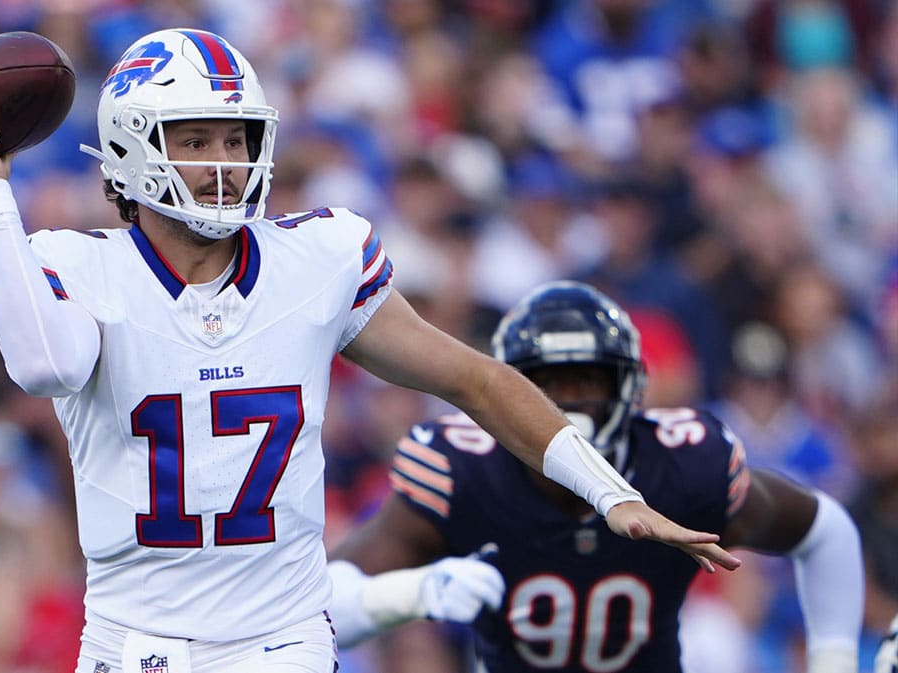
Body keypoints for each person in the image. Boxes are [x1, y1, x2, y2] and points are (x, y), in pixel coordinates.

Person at [0, 28, 739, 673]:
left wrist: (611, 493)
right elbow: (41, 366)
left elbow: (478, 380)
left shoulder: (315, 260)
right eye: (196, 138)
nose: (223, 164)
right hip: (135, 641)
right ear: (132, 149)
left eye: (236, 138)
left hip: (282, 642)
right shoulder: (76, 265)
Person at [327, 280, 864, 673]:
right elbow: (317, 608)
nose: (565, 406)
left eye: (587, 380)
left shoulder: (681, 464)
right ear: (508, 394)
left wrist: (834, 660)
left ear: (628, 386)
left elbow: (826, 531)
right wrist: (411, 593)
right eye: (544, 385)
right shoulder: (464, 469)